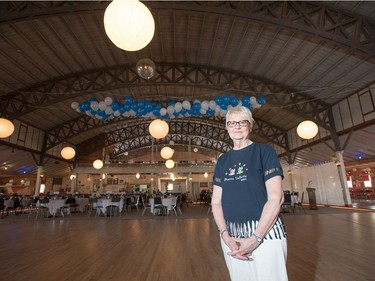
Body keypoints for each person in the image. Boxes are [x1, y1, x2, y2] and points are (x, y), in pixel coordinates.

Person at [211, 106, 288, 281]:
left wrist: (256, 238)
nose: (236, 126)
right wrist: (224, 234)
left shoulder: (264, 152)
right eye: (231, 123)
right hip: (232, 236)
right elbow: (216, 202)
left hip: (266, 234)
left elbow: (276, 198)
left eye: (242, 122)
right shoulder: (223, 161)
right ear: (227, 128)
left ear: (250, 126)